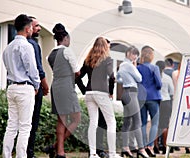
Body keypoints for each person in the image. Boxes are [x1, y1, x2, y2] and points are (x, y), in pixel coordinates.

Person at [75, 37, 121, 158]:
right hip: (101, 93)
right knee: (111, 121)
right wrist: (111, 92)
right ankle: (112, 153)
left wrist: (84, 90)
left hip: (89, 93)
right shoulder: (107, 59)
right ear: (105, 47)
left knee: (93, 122)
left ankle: (93, 153)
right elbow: (112, 77)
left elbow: (77, 77)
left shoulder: (88, 60)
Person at [2, 14, 41, 158]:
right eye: (31, 26)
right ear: (27, 28)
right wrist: (36, 85)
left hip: (11, 87)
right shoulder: (27, 45)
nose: (32, 29)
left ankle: (6, 155)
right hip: (25, 88)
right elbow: (32, 69)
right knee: (25, 127)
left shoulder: (8, 47)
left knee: (11, 125)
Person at [47, 23, 81, 158]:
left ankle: (59, 151)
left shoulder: (50, 55)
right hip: (67, 86)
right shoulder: (67, 51)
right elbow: (77, 72)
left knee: (61, 120)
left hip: (55, 86)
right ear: (65, 38)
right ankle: (56, 148)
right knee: (77, 118)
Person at [116, 46, 149, 158]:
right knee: (137, 122)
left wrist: (127, 78)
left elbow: (118, 79)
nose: (135, 57)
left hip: (125, 94)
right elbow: (139, 78)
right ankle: (141, 149)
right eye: (134, 54)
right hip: (131, 93)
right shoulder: (130, 65)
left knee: (127, 123)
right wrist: (134, 67)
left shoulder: (121, 65)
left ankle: (125, 148)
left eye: (136, 55)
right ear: (129, 53)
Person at [26, 16, 49, 158]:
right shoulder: (33, 44)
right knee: (32, 122)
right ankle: (30, 153)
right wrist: (45, 85)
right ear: (29, 27)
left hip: (20, 88)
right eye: (36, 26)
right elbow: (39, 69)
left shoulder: (16, 44)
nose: (39, 28)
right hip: (34, 88)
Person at [137, 45, 162, 157]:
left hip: (141, 98)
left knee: (142, 123)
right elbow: (159, 84)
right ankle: (150, 146)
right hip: (153, 97)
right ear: (151, 56)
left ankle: (142, 147)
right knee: (154, 123)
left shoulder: (138, 68)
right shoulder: (154, 68)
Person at [154, 60, 174, 155]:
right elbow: (172, 92)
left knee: (156, 124)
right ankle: (165, 147)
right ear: (164, 68)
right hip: (166, 102)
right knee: (165, 125)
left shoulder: (153, 78)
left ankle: (155, 146)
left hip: (156, 102)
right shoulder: (167, 78)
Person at [171, 62, 190, 154]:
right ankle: (186, 144)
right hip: (186, 100)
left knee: (175, 122)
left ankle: (173, 142)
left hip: (176, 99)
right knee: (185, 122)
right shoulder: (188, 74)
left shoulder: (175, 73)